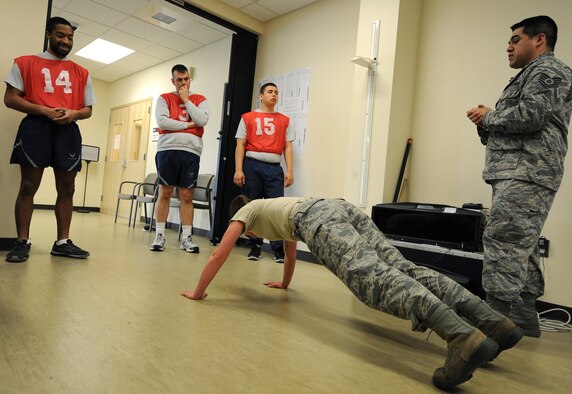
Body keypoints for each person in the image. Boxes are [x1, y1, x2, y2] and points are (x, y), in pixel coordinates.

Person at [182, 196, 525, 390]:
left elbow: (218, 252)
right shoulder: (276, 207)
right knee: (403, 268)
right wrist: (285, 284)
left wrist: (198, 293)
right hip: (338, 207)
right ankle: (491, 321)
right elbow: (289, 249)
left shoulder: (246, 210)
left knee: (373, 282)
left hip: (317, 219)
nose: (250, 236)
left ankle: (462, 338)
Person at [466, 16, 572, 337]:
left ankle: (492, 323)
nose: (508, 46)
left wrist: (490, 116)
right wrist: (487, 122)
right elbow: (513, 126)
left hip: (527, 171)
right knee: (520, 245)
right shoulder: (531, 75)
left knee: (504, 240)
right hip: (516, 171)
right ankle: (524, 317)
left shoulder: (550, 71)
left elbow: (530, 115)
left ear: (539, 40)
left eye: (515, 39)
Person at [4, 16, 96, 263]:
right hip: (35, 128)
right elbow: (10, 98)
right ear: (48, 35)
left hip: (68, 131)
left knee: (67, 188)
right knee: (28, 187)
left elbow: (88, 110)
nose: (66, 41)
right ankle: (22, 242)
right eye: (60, 35)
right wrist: (44, 110)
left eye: (70, 37)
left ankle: (62, 243)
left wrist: (74, 113)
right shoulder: (25, 63)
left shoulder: (82, 72)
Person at [150, 64, 209, 253]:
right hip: (168, 150)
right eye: (179, 80)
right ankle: (159, 235)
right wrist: (190, 125)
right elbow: (162, 122)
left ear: (190, 79)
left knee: (186, 195)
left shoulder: (200, 99)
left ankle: (187, 238)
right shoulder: (164, 98)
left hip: (191, 152)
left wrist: (186, 100)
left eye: (186, 79)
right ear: (173, 81)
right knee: (165, 192)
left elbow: (202, 120)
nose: (183, 83)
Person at [233, 82, 294, 263]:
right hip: (252, 165)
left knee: (277, 208)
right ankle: (254, 245)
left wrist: (289, 170)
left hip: (274, 168)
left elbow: (288, 147)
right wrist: (238, 169)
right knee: (253, 205)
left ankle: (278, 248)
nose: (274, 94)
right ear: (260, 96)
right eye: (270, 91)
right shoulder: (247, 117)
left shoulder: (284, 120)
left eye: (276, 92)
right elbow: (240, 145)